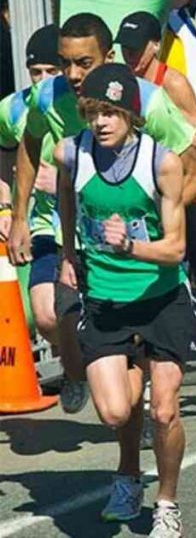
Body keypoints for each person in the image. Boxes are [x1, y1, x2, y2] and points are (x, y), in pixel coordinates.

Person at [55, 63, 196, 537]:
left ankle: (167, 501)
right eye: (94, 113)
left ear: (132, 115)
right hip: (106, 302)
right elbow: (67, 201)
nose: (102, 123)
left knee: (164, 410)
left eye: (112, 113)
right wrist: (69, 254)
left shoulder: (161, 162)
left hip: (161, 298)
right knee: (116, 410)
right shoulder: (71, 154)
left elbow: (176, 248)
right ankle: (128, 474)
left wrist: (130, 246)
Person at [8, 14, 196, 272]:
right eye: (65, 63)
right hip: (80, 243)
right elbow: (30, 141)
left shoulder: (148, 101)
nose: (73, 75)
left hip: (141, 252)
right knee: (51, 311)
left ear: (110, 57)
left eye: (84, 63)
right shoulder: (46, 96)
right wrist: (19, 216)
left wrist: (151, 224)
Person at [114, 11, 196, 365]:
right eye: (125, 49)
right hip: (150, 190)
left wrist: (168, 129)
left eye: (137, 49)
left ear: (155, 47)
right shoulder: (123, 86)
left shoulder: (172, 82)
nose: (130, 56)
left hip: (190, 182)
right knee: (157, 260)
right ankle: (164, 337)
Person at [0, 24, 89, 413]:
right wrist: (8, 206)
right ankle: (76, 366)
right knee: (47, 315)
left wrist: (68, 183)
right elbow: (9, 150)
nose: (43, 80)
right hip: (44, 224)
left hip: (93, 225)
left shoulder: (88, 103)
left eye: (50, 71)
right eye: (35, 72)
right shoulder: (15, 107)